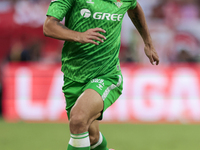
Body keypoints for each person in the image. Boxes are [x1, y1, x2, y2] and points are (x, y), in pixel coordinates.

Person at [43, 0, 159, 150]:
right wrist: (79, 36)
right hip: (73, 75)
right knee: (91, 137)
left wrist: (148, 43)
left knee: (78, 119)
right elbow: (49, 26)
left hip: (107, 75)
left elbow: (135, 8)